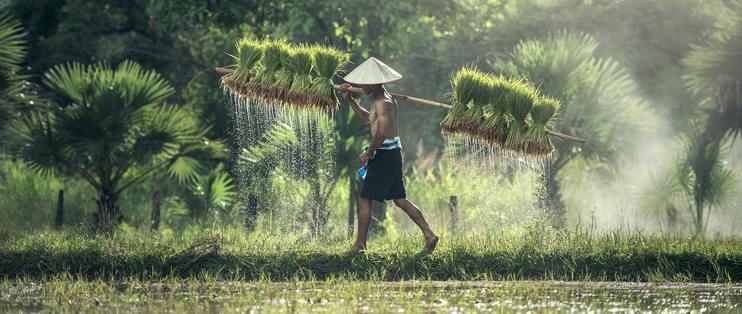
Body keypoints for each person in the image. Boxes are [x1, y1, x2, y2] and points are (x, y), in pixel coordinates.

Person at [338, 57, 439, 253]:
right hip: (391, 153)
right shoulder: (380, 100)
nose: (362, 85)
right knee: (399, 199)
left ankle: (360, 244)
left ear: (375, 82)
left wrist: (368, 153)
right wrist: (349, 100)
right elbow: (368, 118)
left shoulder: (383, 102)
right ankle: (429, 234)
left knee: (365, 198)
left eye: (366, 82)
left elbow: (382, 133)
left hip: (385, 154)